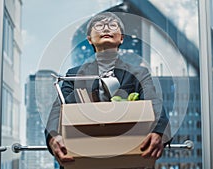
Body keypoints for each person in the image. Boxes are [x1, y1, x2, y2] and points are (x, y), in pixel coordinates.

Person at [45, 12, 171, 168]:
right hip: (86, 157)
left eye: (112, 25)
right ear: (90, 39)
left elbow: (155, 103)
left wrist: (158, 132)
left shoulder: (139, 73)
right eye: (99, 26)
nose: (106, 28)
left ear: (122, 38)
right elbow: (58, 109)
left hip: (128, 158)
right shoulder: (74, 74)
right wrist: (53, 137)